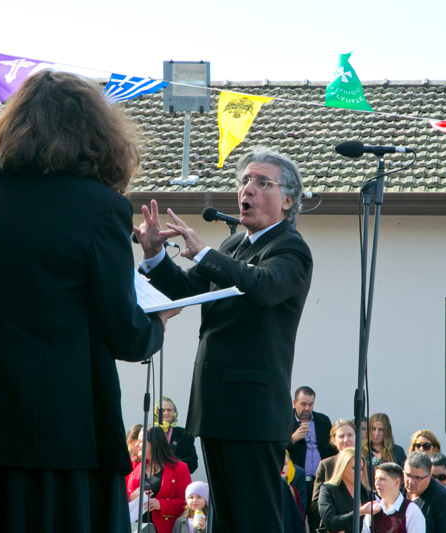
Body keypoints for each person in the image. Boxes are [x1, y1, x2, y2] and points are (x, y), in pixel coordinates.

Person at [0, 70, 177, 531]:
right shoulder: (101, 207)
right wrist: (157, 323)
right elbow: (124, 332)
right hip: (64, 424)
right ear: (96, 133)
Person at [134, 146, 313, 533]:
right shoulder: (233, 247)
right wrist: (154, 257)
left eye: (261, 182)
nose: (247, 189)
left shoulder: (290, 248)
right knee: (225, 522)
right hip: (215, 406)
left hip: (253, 411)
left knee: (257, 520)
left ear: (287, 200)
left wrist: (202, 254)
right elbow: (183, 291)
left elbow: (262, 287)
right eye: (244, 180)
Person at [128, 426, 193, 533]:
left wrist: (161, 504)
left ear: (155, 443)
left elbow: (185, 502)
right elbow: (116, 494)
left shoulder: (180, 468)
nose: (136, 445)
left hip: (163, 528)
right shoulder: (131, 464)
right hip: (132, 527)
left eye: (141, 442)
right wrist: (131, 496)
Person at [288, 385, 334, 531]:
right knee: (295, 522)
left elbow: (332, 449)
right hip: (296, 482)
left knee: (317, 524)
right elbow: (275, 448)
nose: (307, 408)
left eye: (310, 404)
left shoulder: (323, 421)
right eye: (303, 404)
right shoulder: (285, 419)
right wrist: (292, 439)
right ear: (294, 403)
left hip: (318, 483)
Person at [313, 419, 360, 523]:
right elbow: (315, 504)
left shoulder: (367, 466)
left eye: (350, 435)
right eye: (341, 436)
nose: (346, 440)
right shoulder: (325, 465)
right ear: (333, 440)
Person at [319, 447, 373, 533]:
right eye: (354, 468)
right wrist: (360, 512)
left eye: (361, 468)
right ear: (342, 468)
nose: (359, 472)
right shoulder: (328, 489)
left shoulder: (366, 492)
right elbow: (330, 523)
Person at [404, 452, 446, 533]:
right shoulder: (397, 490)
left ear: (429, 477)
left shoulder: (444, 500)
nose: (411, 482)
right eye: (408, 475)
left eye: (417, 478)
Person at [361, 462, 426, 533]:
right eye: (375, 478)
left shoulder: (411, 511)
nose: (376, 483)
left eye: (382, 479)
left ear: (396, 482)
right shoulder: (373, 510)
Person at [154, 396, 199, 473]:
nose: (166, 413)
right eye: (162, 410)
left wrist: (172, 462)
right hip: (155, 478)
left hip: (177, 478)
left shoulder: (185, 434)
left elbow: (193, 463)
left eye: (169, 410)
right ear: (156, 412)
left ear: (174, 412)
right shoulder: (150, 432)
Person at [282, 452, 306, 533]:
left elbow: (299, 518)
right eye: (279, 463)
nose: (282, 468)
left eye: (285, 464)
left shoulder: (294, 490)